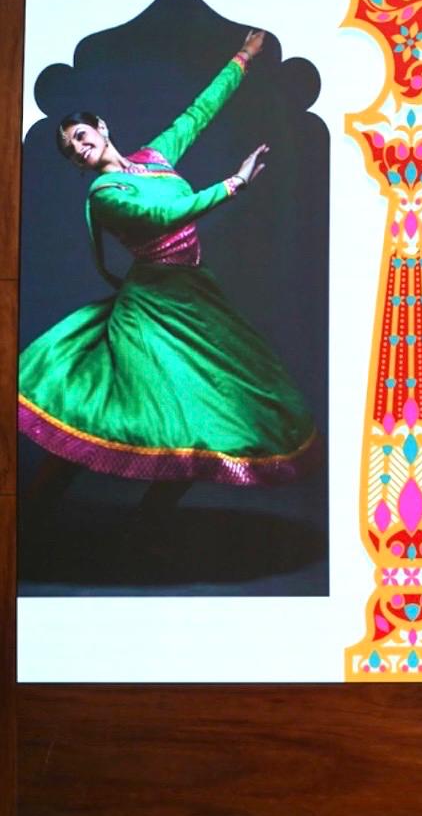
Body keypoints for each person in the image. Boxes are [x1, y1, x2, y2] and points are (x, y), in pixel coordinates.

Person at [18, 30, 318, 509]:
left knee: (209, 410)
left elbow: (198, 114)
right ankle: (32, 510)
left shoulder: (154, 158)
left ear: (101, 127)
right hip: (151, 308)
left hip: (194, 296)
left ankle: (150, 521)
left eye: (80, 136)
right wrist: (234, 184)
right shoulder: (105, 193)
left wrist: (243, 56)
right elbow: (161, 216)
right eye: (71, 150)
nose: (78, 148)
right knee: (118, 413)